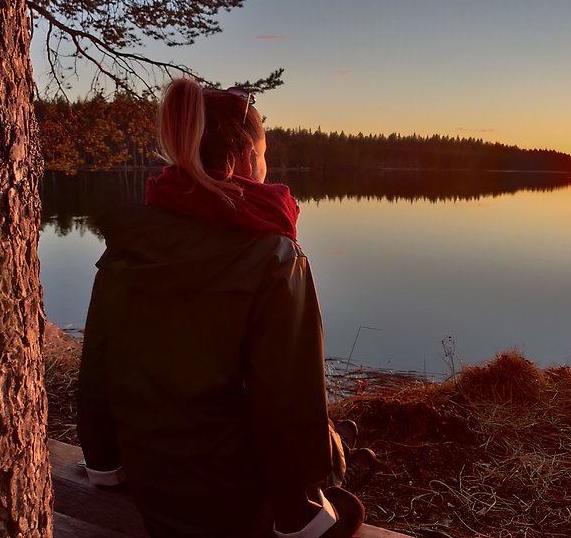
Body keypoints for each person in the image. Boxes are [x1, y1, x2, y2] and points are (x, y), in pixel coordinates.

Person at [76, 78, 366, 538]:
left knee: (327, 440)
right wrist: (302, 513)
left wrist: (104, 466)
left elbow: (96, 373)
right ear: (247, 156)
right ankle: (336, 455)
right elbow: (289, 402)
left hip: (153, 489)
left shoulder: (128, 247)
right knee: (338, 490)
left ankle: (336, 446)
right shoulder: (275, 258)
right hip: (235, 510)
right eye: (266, 152)